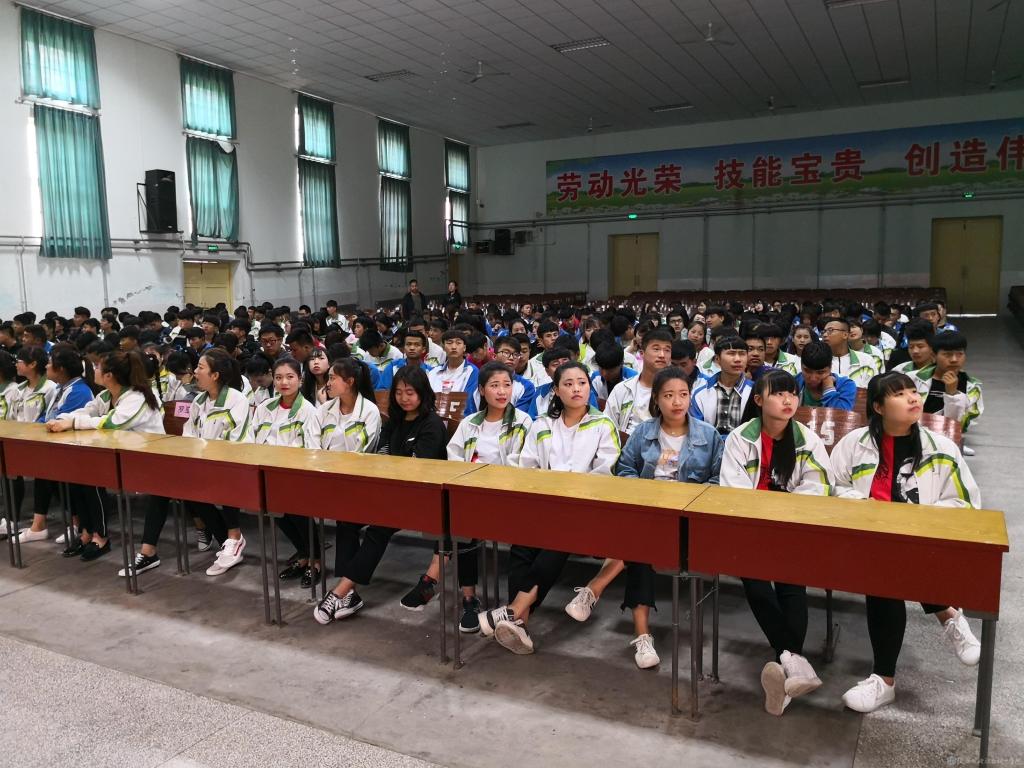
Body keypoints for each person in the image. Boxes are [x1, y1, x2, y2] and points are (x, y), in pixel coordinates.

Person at [831, 372, 981, 714]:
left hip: (923, 540)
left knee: (885, 574)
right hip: (864, 537)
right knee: (883, 563)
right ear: (878, 407)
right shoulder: (853, 444)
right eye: (900, 394)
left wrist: (920, 520)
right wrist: (863, 506)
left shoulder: (941, 448)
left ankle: (884, 680)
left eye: (914, 391)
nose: (913, 398)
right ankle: (947, 612)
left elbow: (965, 502)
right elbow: (833, 487)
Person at [567, 367, 723, 669]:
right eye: (669, 395)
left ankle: (596, 588)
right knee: (642, 545)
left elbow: (717, 481)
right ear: (656, 399)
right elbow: (625, 469)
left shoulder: (708, 435)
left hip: (688, 518)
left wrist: (685, 498)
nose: (677, 402)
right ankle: (642, 636)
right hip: (648, 511)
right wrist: (646, 492)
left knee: (639, 542)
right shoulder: (643, 432)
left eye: (683, 394)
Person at [478, 362, 620, 655]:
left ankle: (514, 610)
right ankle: (519, 623)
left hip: (584, 508)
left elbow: (605, 472)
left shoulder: (603, 424)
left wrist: (570, 495)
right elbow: (527, 465)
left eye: (582, 382)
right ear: (556, 390)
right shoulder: (542, 424)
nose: (576, 389)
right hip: (544, 504)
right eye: (568, 384)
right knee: (522, 542)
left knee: (557, 540)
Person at [720, 369, 835, 716]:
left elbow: (819, 485)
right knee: (756, 586)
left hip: (791, 528)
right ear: (758, 400)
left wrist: (784, 512)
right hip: (750, 529)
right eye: (778, 393)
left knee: (791, 585)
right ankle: (795, 663)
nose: (788, 400)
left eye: (792, 394)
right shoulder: (740, 438)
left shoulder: (807, 440)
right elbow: (734, 490)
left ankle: (786, 666)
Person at [403, 362, 533, 632]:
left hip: (506, 497)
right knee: (459, 517)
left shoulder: (523, 422)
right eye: (494, 386)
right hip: (470, 493)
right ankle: (468, 598)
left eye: (507, 385)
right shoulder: (470, 423)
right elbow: (454, 458)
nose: (502, 391)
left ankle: (435, 582)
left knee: (459, 520)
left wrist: (481, 476)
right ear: (482, 390)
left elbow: (521, 464)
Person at [314, 366, 447, 625]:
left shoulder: (431, 425)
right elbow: (382, 454)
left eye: (410, 392)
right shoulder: (395, 420)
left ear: (422, 393)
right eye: (398, 392)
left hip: (422, 497)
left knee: (379, 527)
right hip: (390, 491)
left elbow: (416, 468)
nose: (404, 398)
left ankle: (339, 591)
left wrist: (391, 474)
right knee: (347, 517)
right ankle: (349, 594)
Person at [45, 350, 165, 565]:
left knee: (91, 476)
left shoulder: (138, 397)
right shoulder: (105, 396)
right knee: (77, 475)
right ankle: (86, 532)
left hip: (148, 460)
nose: (95, 369)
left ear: (110, 375)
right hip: (119, 456)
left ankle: (100, 537)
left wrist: (72, 423)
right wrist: (62, 419)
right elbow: (85, 412)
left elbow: (112, 423)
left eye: (99, 367)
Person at [252, 357, 323, 587]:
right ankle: (303, 556)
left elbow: (311, 446)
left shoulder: (308, 411)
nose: (284, 382)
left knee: (299, 516)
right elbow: (253, 438)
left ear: (300, 380)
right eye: (279, 377)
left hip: (296, 474)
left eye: (290, 377)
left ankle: (316, 561)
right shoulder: (264, 408)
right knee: (278, 516)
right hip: (269, 472)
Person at [183, 349, 253, 576]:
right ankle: (227, 541)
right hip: (204, 463)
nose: (195, 371)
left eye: (200, 367)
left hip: (233, 463)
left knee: (225, 478)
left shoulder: (236, 400)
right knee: (188, 488)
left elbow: (237, 440)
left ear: (215, 375)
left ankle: (234, 535)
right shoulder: (198, 401)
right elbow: (189, 434)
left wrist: (209, 458)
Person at [16, 346, 94, 543]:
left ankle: (76, 524)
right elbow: (47, 415)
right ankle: (47, 525)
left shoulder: (79, 391)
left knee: (50, 472)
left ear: (61, 369)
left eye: (50, 363)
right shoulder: (60, 388)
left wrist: (42, 426)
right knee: (44, 471)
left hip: (77, 449)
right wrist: (36, 427)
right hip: (58, 445)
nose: (46, 366)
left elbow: (61, 420)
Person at [909, 331, 983, 448]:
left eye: (959, 354)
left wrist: (953, 394)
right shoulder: (912, 379)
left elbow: (961, 424)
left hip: (947, 443)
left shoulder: (972, 387)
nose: (954, 359)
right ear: (933, 356)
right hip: (912, 438)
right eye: (947, 354)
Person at [605, 328, 673, 436]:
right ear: (642, 353)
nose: (662, 355)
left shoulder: (677, 391)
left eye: (667, 350)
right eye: (656, 349)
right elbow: (607, 427)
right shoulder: (622, 389)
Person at [690, 337, 753, 434]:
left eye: (742, 354)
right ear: (717, 359)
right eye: (731, 353)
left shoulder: (755, 392)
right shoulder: (700, 394)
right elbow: (696, 431)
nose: (737, 359)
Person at [426, 330, 479, 411]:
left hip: (462, 417)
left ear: (464, 348)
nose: (454, 347)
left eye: (458, 343)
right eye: (449, 343)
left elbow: (469, 402)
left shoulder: (472, 371)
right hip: (434, 416)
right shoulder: (433, 372)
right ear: (443, 347)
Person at [795, 341, 857, 410]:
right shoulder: (793, 382)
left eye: (820, 372)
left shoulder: (846, 385)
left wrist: (829, 389)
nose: (813, 378)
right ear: (801, 365)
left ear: (830, 367)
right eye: (807, 371)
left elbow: (842, 415)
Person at [822, 318, 876, 388]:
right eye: (824, 331)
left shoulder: (866, 360)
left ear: (845, 335)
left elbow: (872, 390)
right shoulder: (819, 360)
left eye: (830, 330)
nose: (825, 335)